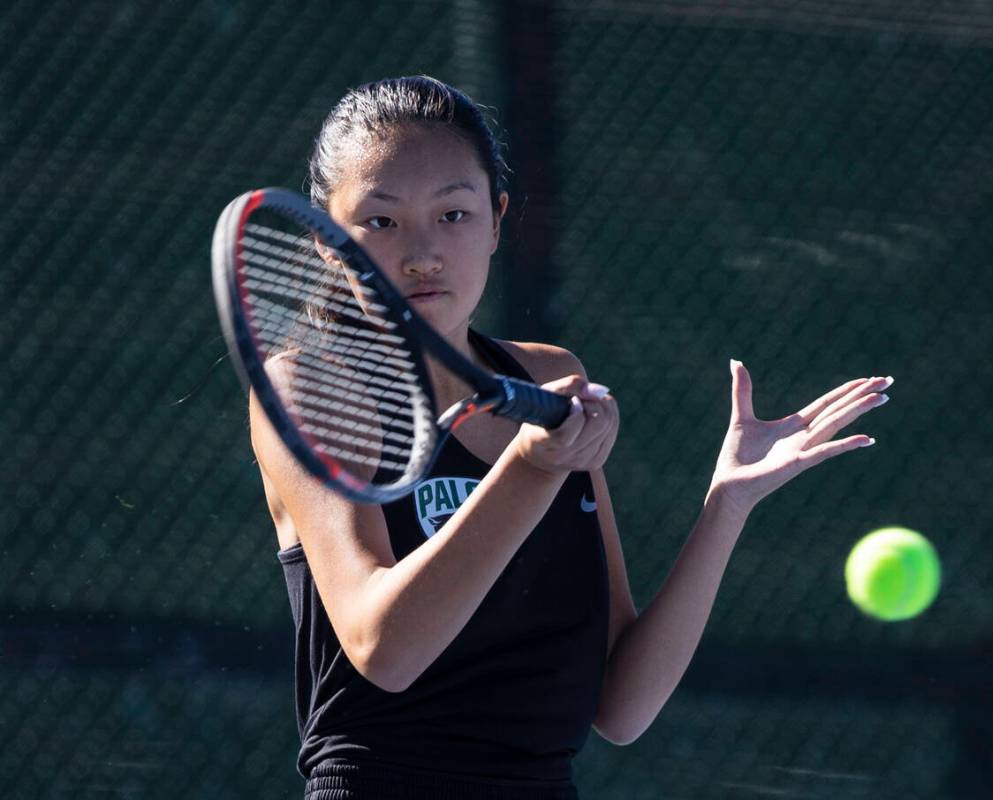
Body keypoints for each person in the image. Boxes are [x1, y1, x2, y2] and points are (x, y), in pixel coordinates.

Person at [251, 75, 892, 799]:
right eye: (382, 222)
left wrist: (727, 505)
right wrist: (529, 468)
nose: (423, 252)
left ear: (497, 220)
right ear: (327, 243)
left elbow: (619, 704)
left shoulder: (551, 376)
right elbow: (384, 647)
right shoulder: (310, 386)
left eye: (454, 215)